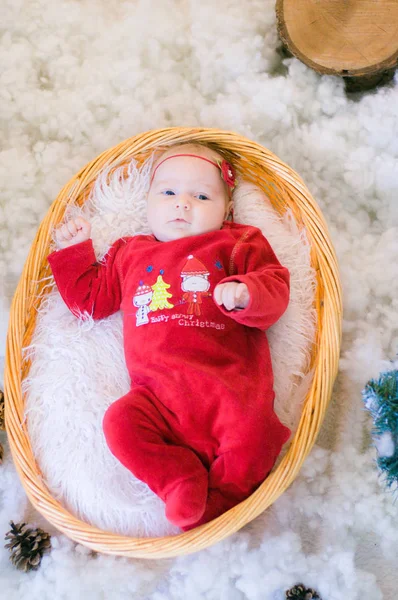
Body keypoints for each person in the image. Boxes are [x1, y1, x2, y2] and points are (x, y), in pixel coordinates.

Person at [48, 143, 291, 531]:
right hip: (156, 400)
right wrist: (74, 250)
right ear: (147, 203)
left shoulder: (237, 243)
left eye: (201, 195)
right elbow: (89, 303)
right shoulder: (130, 253)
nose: (182, 204)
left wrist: (247, 292)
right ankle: (177, 478)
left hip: (230, 392)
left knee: (256, 438)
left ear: (226, 210)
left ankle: (219, 504)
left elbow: (276, 289)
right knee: (120, 423)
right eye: (168, 193)